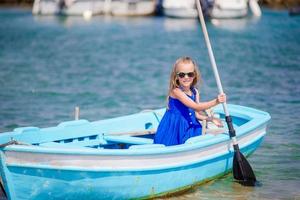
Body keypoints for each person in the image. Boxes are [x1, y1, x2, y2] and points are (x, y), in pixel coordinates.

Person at [154, 56, 226, 146]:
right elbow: (196, 106)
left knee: (199, 138)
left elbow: (196, 114)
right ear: (176, 77)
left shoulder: (195, 92)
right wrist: (216, 101)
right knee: (172, 146)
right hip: (174, 129)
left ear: (194, 75)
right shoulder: (176, 92)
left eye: (190, 74)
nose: (186, 77)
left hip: (189, 126)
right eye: (182, 75)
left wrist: (210, 119)